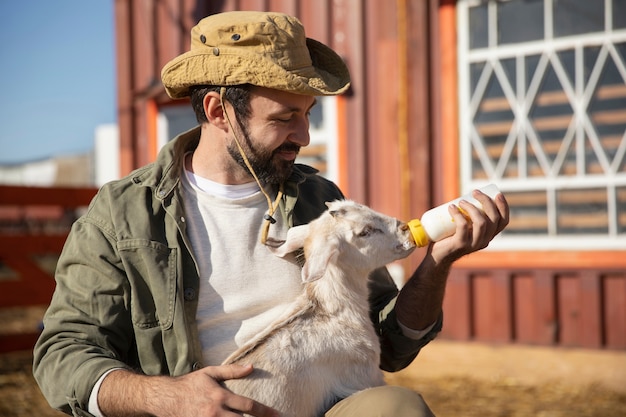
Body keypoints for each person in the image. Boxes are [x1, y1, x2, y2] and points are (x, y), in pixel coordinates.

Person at [33, 10, 509, 417]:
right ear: (220, 111)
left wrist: (437, 262)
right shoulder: (123, 215)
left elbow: (388, 345)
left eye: (307, 114)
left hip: (324, 404)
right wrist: (166, 397)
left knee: (396, 409)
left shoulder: (319, 199)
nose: (303, 134)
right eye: (284, 118)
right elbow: (62, 351)